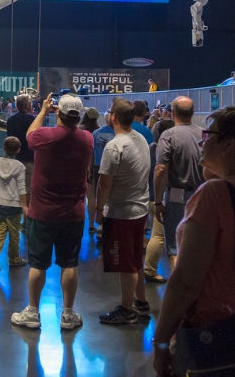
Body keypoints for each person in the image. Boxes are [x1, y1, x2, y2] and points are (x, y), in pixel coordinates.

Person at [151, 104, 235, 376]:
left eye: (208, 135)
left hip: (222, 336)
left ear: (229, 144)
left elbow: (186, 281)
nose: (202, 142)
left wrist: (162, 340)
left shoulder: (214, 195)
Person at [11, 93, 94, 331]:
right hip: (74, 213)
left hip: (43, 213)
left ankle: (33, 313)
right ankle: (68, 314)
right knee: (70, 264)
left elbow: (29, 136)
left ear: (58, 112)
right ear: (78, 115)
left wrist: (42, 111)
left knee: (37, 264)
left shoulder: (45, 136)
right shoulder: (87, 139)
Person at [94, 98, 152, 325]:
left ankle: (127, 309)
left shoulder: (114, 146)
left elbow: (104, 183)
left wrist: (99, 209)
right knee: (135, 257)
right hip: (140, 208)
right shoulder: (140, 139)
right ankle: (141, 301)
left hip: (122, 213)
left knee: (125, 264)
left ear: (113, 118)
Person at [151, 97, 204, 279]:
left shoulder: (169, 135)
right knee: (198, 247)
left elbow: (160, 169)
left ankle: (178, 299)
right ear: (193, 113)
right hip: (203, 195)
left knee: (175, 248)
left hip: (176, 196)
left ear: (172, 113)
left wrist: (158, 201)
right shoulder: (205, 134)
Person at [0, 136, 29, 272]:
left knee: (0, 231)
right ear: (18, 150)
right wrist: (25, 206)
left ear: (4, 148)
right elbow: (22, 188)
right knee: (14, 233)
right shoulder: (19, 166)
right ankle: (14, 259)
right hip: (14, 205)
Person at [143, 119, 175, 284]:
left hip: (147, 196)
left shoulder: (149, 148)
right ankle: (149, 270)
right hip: (159, 198)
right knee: (159, 237)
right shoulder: (167, 151)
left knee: (157, 235)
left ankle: (149, 269)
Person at [90, 109, 116, 236]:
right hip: (112, 167)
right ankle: (106, 225)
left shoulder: (96, 133)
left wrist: (89, 169)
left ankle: (101, 225)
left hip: (97, 167)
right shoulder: (118, 133)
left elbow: (92, 154)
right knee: (110, 197)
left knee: (99, 196)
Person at [6, 95, 37, 189]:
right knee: (28, 190)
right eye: (30, 103)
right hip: (29, 160)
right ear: (26, 105)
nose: (32, 105)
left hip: (15, 159)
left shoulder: (10, 120)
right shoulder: (31, 119)